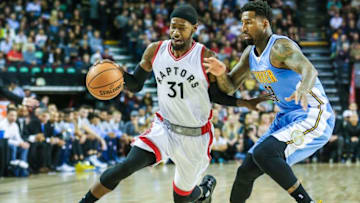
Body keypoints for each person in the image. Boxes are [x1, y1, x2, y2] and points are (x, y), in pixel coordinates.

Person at [80, 4, 269, 203]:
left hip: (195, 136)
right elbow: (136, 85)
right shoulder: (155, 50)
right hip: (165, 128)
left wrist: (244, 103)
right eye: (173, 27)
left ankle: (203, 192)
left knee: (181, 198)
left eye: (182, 28)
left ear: (194, 29)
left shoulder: (205, 56)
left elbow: (214, 95)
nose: (175, 32)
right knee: (126, 166)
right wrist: (119, 73)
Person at [204, 1, 335, 203]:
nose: (243, 28)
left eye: (248, 22)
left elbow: (310, 70)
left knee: (265, 153)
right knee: (245, 171)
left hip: (314, 114)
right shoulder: (250, 54)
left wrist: (303, 88)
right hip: (286, 116)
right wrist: (221, 73)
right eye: (242, 22)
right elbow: (229, 86)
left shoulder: (280, 47)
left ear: (264, 23)